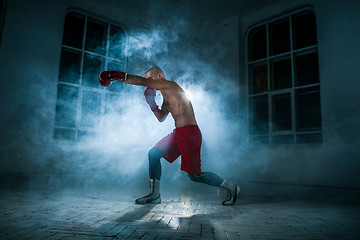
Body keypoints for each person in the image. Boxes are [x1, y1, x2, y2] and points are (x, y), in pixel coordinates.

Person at [98, 67, 240, 206]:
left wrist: (115, 75)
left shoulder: (170, 85)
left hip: (190, 134)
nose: (148, 82)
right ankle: (154, 195)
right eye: (147, 79)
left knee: (195, 176)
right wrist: (152, 104)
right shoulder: (166, 97)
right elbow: (161, 118)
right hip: (178, 133)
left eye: (150, 78)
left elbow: (141, 81)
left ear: (159, 76)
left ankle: (231, 187)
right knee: (153, 154)